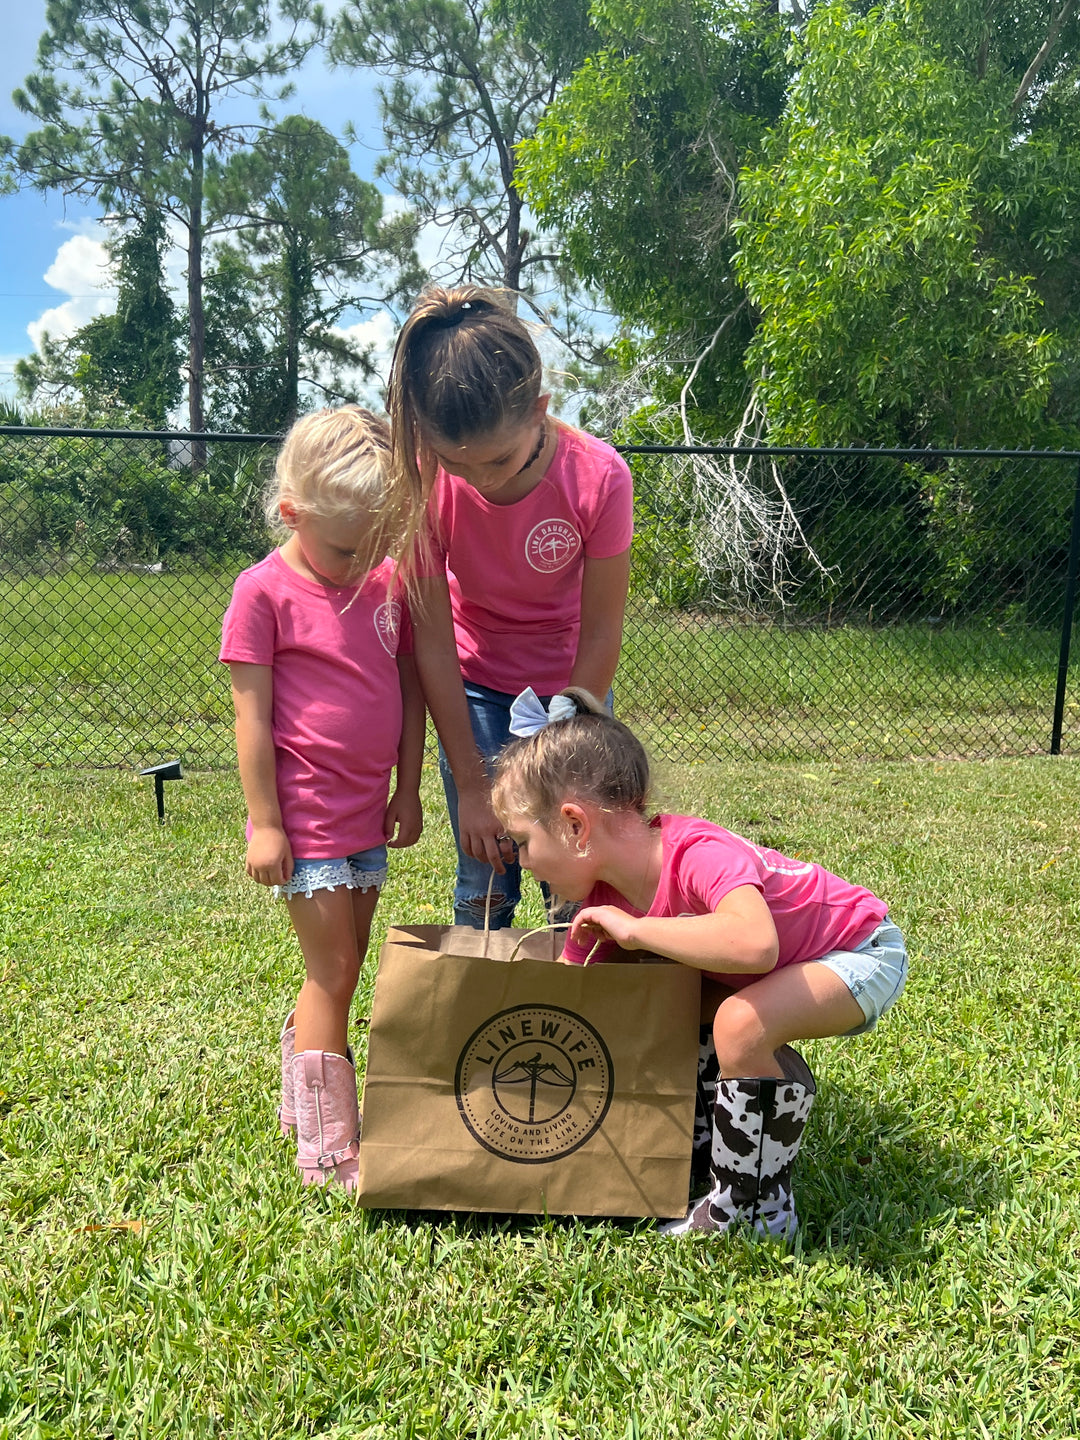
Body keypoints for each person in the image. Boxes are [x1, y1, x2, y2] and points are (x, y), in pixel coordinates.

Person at [491, 689, 907, 1239]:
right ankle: (709, 1149)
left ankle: (753, 1213)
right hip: (786, 969)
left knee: (738, 1023)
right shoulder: (601, 902)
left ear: (574, 825)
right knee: (675, 1004)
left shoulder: (696, 852)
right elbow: (574, 1002)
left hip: (857, 950)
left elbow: (756, 944)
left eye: (522, 841)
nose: (520, 860)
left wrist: (636, 930)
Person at [220, 407, 424, 1192]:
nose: (360, 562)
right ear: (291, 512)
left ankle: (301, 1095)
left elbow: (406, 689)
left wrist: (407, 787)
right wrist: (266, 824)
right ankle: (330, 1148)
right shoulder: (262, 593)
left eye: (375, 545)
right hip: (304, 820)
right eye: (345, 546)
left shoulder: (381, 578)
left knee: (345, 966)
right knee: (333, 970)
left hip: (365, 816)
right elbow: (252, 715)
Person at [386, 285, 633, 929]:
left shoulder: (598, 477)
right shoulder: (423, 479)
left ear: (541, 411)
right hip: (472, 688)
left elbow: (603, 632)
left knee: (576, 863)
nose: (481, 480)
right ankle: (482, 1003)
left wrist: (572, 725)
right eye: (457, 464)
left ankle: (577, 997)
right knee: (486, 865)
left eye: (498, 459)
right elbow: (433, 644)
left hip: (569, 693)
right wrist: (472, 786)